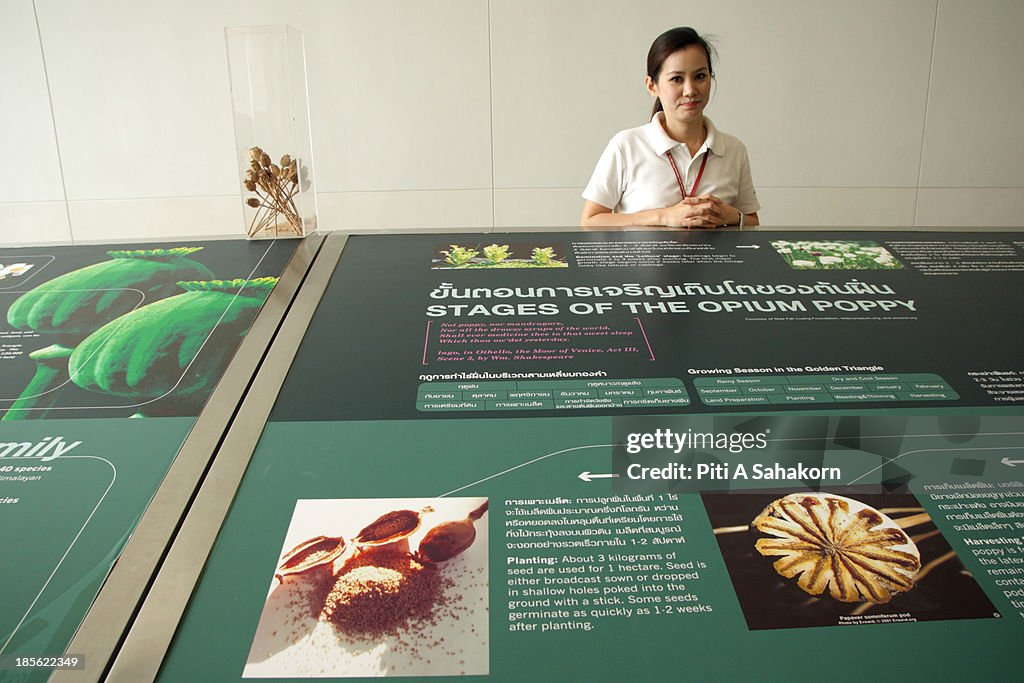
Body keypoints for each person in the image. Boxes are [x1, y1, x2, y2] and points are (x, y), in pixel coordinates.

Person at [581, 27, 760, 229]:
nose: (690, 90)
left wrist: (732, 215)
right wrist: (664, 217)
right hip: (642, 262)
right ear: (651, 86)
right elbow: (590, 221)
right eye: (677, 79)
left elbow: (752, 223)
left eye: (700, 76)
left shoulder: (734, 149)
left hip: (717, 261)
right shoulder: (626, 146)